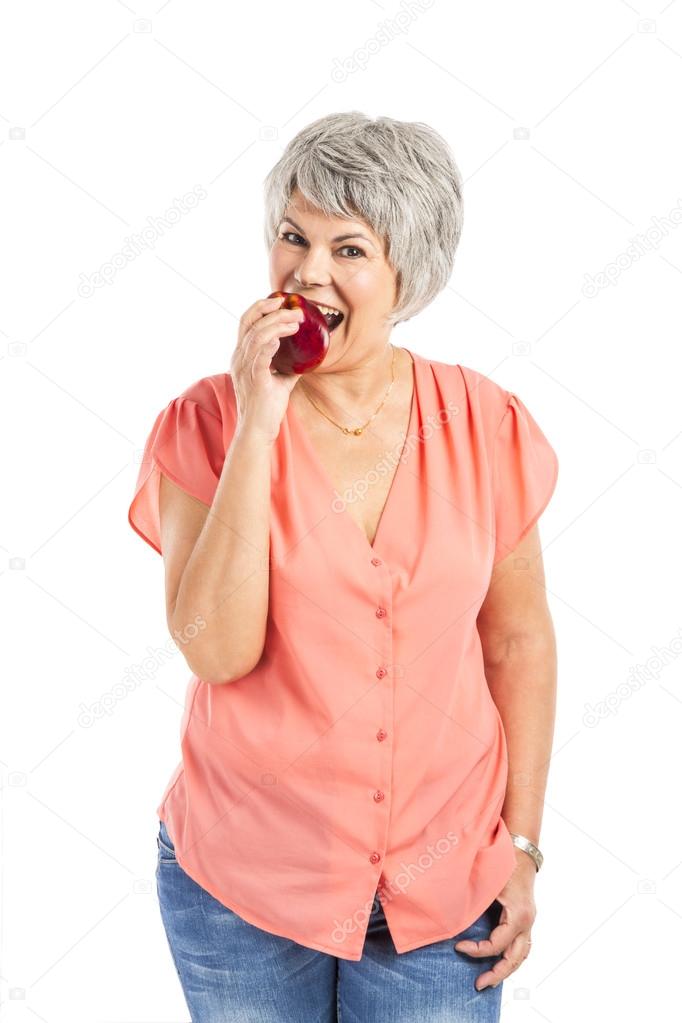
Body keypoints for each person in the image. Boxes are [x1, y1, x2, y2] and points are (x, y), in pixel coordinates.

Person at [129, 111, 559, 1022]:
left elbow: (517, 641)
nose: (307, 272)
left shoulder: (487, 427)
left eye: (348, 248)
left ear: (408, 274)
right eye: (293, 236)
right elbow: (215, 650)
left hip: (445, 899)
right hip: (242, 891)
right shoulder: (204, 425)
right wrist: (259, 421)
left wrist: (522, 846)